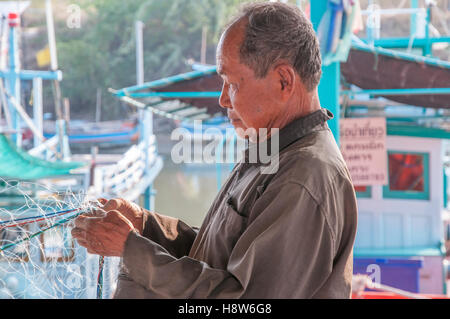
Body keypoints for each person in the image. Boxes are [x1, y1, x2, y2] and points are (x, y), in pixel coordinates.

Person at [72, 2, 358, 299]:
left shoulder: (305, 176)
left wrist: (132, 250)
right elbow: (218, 258)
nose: (223, 99)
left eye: (232, 83)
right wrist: (146, 227)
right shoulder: (271, 148)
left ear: (283, 81)